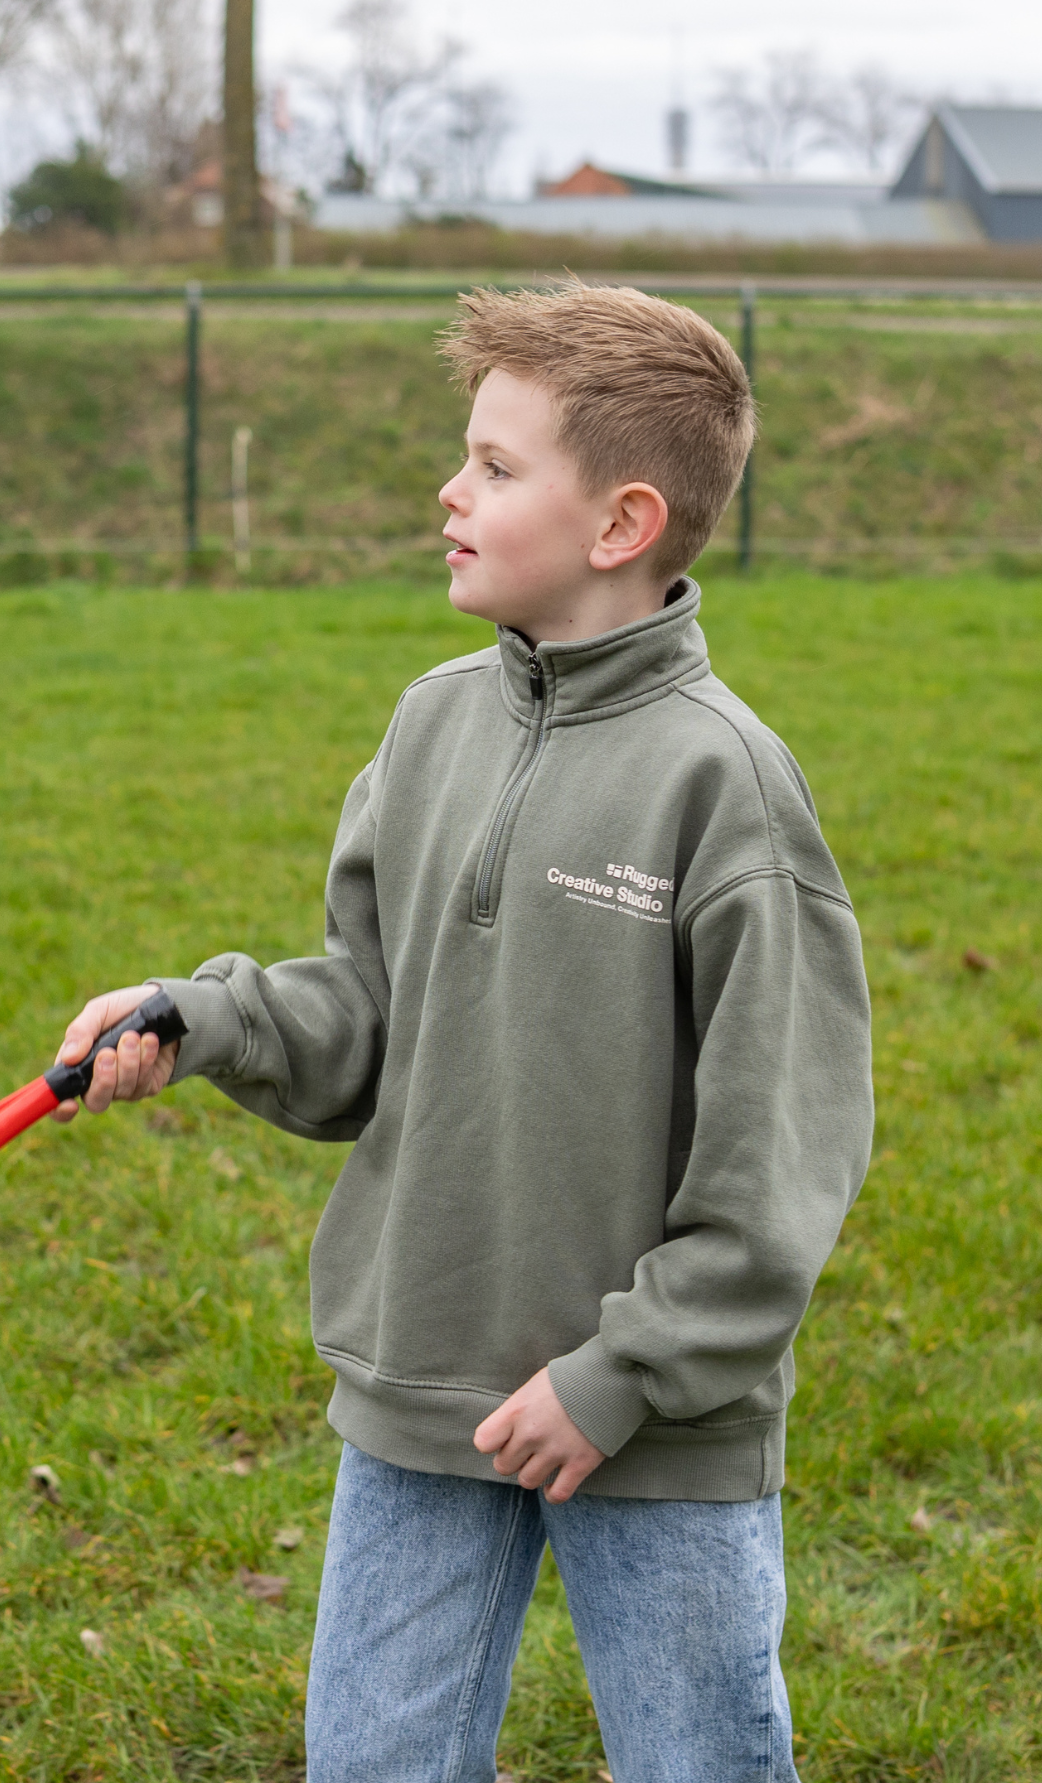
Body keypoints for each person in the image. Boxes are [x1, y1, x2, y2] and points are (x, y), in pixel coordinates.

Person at [51, 283, 875, 1783]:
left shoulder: (725, 789)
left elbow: (780, 1168)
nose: (449, 490)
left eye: (496, 466)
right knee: (373, 1759)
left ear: (620, 523)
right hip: (423, 1378)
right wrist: (209, 1016)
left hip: (654, 1420)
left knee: (701, 1759)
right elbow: (368, 1019)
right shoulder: (428, 726)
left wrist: (622, 1373)